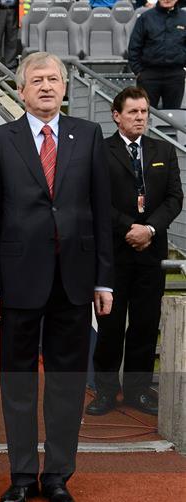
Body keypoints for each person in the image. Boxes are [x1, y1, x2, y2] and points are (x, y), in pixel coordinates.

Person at [0, 52, 113, 502]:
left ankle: (57, 476)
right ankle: (20, 475)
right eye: (36, 80)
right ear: (20, 90)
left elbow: (100, 212)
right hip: (17, 281)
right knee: (17, 383)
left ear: (64, 86)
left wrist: (104, 280)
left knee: (67, 384)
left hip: (74, 282)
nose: (46, 86)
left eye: (53, 79)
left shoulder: (89, 136)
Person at [86, 87, 183, 417]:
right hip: (113, 252)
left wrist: (150, 229)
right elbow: (95, 198)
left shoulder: (164, 151)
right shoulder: (99, 151)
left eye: (144, 112)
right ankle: (105, 390)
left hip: (150, 253)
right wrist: (129, 227)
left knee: (144, 324)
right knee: (110, 327)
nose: (140, 117)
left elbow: (174, 199)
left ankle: (139, 391)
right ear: (117, 115)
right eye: (133, 112)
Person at [128, 0, 186, 109]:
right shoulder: (145, 18)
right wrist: (138, 71)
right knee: (145, 114)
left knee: (172, 116)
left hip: (175, 76)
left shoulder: (184, 18)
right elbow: (134, 46)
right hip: (148, 75)